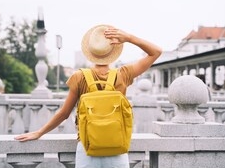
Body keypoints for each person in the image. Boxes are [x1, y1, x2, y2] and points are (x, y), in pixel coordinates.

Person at [15, 24, 162, 168]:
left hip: (87, 148)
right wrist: (129, 38)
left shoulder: (79, 77)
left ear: (90, 53)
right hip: (117, 148)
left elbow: (64, 114)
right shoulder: (123, 74)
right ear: (113, 52)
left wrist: (39, 132)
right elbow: (156, 51)